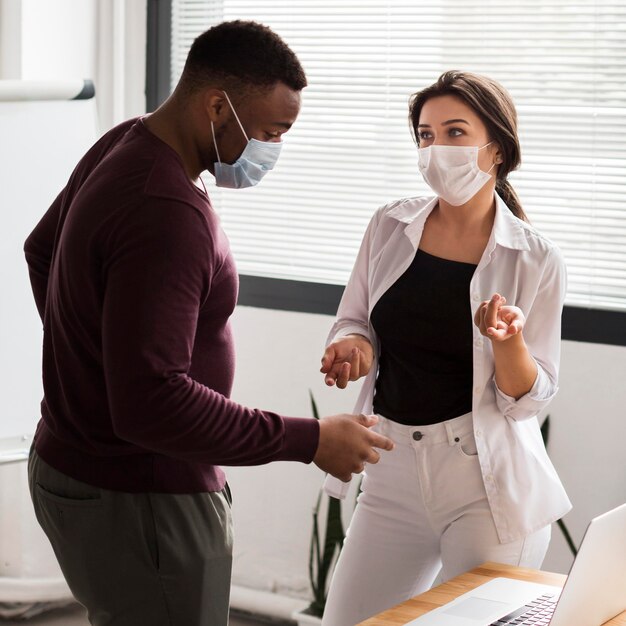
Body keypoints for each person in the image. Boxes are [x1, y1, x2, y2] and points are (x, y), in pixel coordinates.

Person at [24, 20, 393, 626]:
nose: (272, 151)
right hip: (144, 499)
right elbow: (154, 403)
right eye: (271, 132)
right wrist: (313, 440)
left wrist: (91, 370)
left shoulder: (123, 143)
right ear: (218, 105)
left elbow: (44, 251)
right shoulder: (168, 212)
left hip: (74, 470)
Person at [318, 70, 572, 625]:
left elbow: (530, 400)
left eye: (455, 133)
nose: (437, 149)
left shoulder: (535, 258)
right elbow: (354, 317)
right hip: (392, 469)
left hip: (486, 486)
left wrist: (507, 343)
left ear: (497, 149)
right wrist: (352, 344)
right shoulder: (389, 225)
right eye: (426, 136)